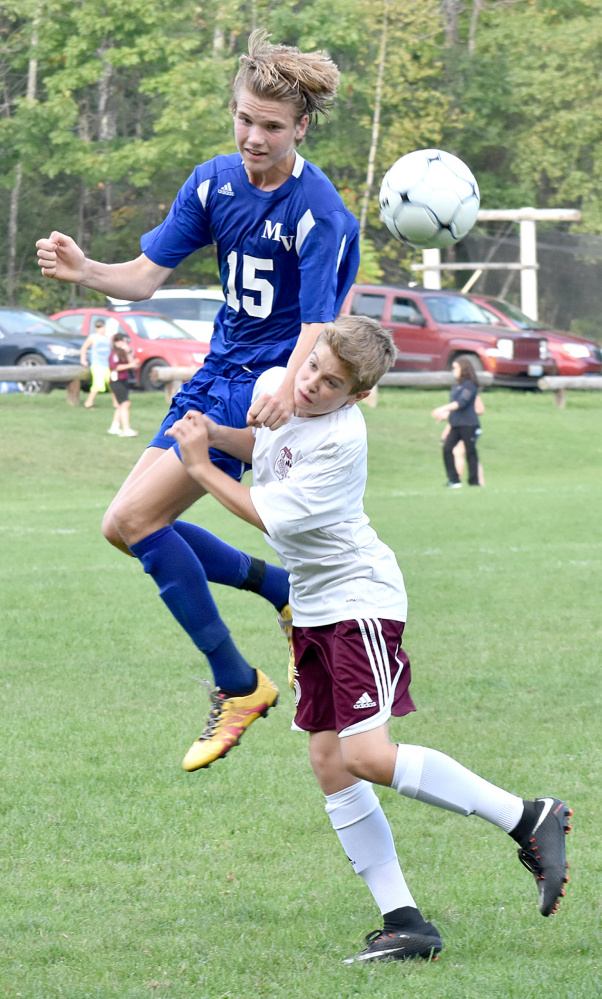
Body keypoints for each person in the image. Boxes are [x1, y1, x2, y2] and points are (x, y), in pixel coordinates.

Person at [166, 315, 572, 965]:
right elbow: (265, 448)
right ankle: (405, 921)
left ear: (356, 396)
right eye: (312, 368)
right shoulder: (280, 383)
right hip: (316, 610)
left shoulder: (342, 440)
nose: (311, 387)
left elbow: (262, 511)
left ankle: (528, 816)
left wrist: (196, 463)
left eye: (330, 384)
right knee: (330, 762)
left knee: (367, 754)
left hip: (359, 603)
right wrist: (213, 432)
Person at [36, 30, 360, 769]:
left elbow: (319, 321)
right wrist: (88, 270)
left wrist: (288, 389)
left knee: (128, 519)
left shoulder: (319, 210)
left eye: (272, 126)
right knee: (127, 530)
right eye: (245, 118)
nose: (254, 136)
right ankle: (279, 589)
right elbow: (146, 277)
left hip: (257, 390)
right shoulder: (214, 180)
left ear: (301, 127)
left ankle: (239, 683)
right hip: (214, 371)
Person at [432, 358, 481, 487]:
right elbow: (456, 407)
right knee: (447, 449)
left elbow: (461, 403)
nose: (453, 371)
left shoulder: (470, 385)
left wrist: (442, 408)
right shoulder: (457, 386)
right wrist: (446, 415)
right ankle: (454, 479)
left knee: (470, 452)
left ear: (463, 369)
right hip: (456, 424)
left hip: (468, 424)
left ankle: (474, 481)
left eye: (456, 368)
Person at [438, 391, 485, 485]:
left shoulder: (470, 395)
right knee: (468, 454)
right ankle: (479, 481)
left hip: (470, 427)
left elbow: (480, 410)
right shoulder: (458, 399)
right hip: (460, 426)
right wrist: (446, 431)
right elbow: (455, 419)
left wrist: (466, 412)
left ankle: (456, 480)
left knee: (459, 452)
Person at [108, 333, 140, 437]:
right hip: (116, 380)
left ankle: (114, 427)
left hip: (124, 380)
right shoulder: (114, 354)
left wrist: (128, 353)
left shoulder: (123, 353)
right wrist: (129, 365)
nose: (125, 344)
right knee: (125, 404)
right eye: (123, 342)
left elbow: (132, 364)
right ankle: (126, 429)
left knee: (121, 404)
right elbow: (115, 367)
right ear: (117, 343)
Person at [79, 318, 113, 410]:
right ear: (96, 328)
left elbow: (112, 349)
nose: (101, 329)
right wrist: (83, 359)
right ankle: (88, 402)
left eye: (102, 327)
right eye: (99, 327)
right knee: (98, 383)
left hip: (107, 364)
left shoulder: (108, 338)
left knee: (111, 383)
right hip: (97, 364)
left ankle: (117, 403)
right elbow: (84, 348)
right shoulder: (93, 337)